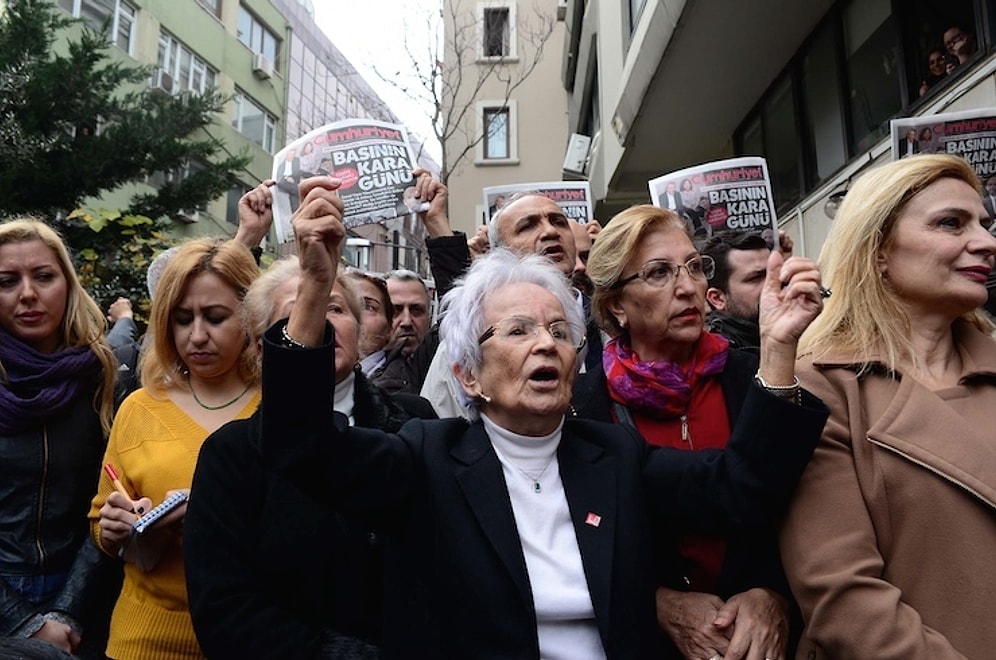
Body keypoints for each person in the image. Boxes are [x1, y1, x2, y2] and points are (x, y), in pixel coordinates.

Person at [256, 177, 828, 659]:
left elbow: (741, 488)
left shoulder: (613, 456)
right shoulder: (424, 457)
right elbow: (301, 446)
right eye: (519, 331)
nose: (547, 345)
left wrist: (777, 348)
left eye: (559, 331)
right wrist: (313, 284)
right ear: (469, 376)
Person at [572, 205, 825, 660]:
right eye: (658, 273)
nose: (689, 287)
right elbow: (582, 547)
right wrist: (656, 603)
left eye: (693, 266)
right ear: (615, 305)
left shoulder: (761, 378)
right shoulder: (583, 410)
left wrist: (775, 594)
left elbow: (807, 509)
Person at [780, 154, 996, 659]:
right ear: (877, 250)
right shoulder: (819, 389)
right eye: (951, 223)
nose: (986, 242)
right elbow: (846, 602)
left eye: (985, 223)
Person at [185, 256, 435, 660]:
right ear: (263, 345)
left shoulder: (417, 422)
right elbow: (226, 610)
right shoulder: (231, 453)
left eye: (335, 308)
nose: (323, 321)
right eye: (301, 311)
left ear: (360, 329)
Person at [88, 239, 260, 659]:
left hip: (256, 636)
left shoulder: (283, 407)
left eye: (216, 317)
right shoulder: (139, 407)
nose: (197, 336)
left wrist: (216, 520)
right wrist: (112, 528)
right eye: (183, 319)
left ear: (253, 316)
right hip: (142, 639)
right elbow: (100, 517)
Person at [0, 220, 119, 657]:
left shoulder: (102, 377)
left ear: (67, 285)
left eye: (43, 276)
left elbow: (108, 500)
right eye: (7, 282)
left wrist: (67, 612)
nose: (28, 294)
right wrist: (24, 622)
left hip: (85, 597)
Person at [701, 231, 786, 351]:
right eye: (755, 278)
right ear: (718, 299)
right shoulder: (719, 362)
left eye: (776, 273)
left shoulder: (797, 327)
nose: (774, 283)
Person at [343, 268, 395, 376]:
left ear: (389, 328)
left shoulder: (400, 383)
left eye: (368, 307)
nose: (354, 314)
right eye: (339, 308)